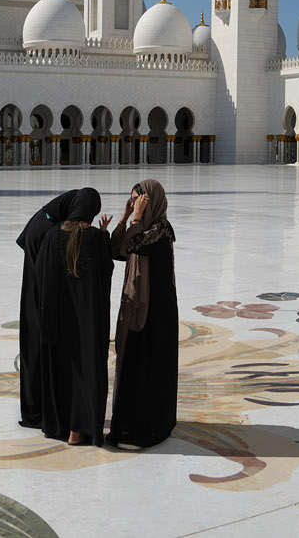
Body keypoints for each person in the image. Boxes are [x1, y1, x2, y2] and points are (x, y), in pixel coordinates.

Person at [32, 187, 112, 444]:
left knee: (61, 370)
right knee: (85, 370)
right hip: (86, 325)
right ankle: (79, 429)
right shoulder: (96, 240)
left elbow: (40, 275)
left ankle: (59, 424)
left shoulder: (52, 235)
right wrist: (104, 235)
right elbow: (105, 273)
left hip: (55, 323)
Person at [107, 179, 179, 450]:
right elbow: (117, 250)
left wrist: (135, 219)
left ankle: (151, 425)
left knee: (149, 367)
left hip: (155, 314)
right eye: (133, 201)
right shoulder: (144, 228)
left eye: (139, 201)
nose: (136, 205)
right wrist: (125, 218)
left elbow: (135, 244)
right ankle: (129, 421)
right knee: (132, 366)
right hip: (138, 307)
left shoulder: (161, 229)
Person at [14, 188, 92, 430]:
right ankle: (39, 410)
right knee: (39, 351)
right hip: (40, 303)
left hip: (34, 301)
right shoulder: (48, 232)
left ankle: (37, 407)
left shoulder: (44, 219)